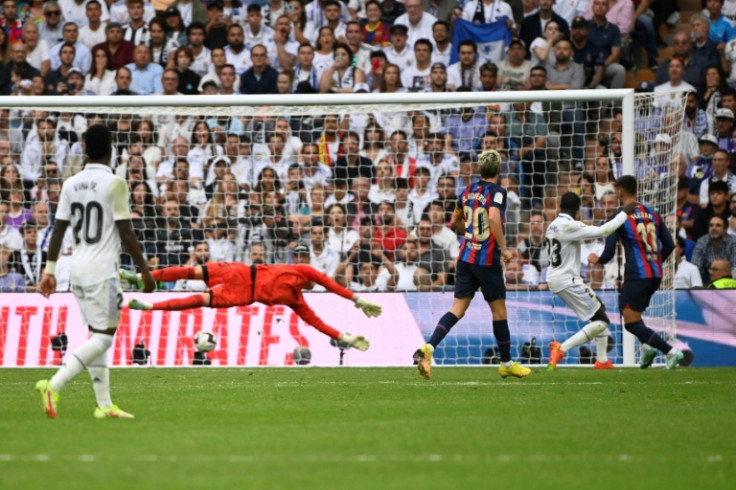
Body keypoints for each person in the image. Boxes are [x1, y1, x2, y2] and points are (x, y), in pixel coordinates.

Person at [35, 124, 156, 420]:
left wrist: (49, 271)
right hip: (103, 271)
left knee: (98, 332)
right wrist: (145, 270)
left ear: (85, 148)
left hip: (76, 269)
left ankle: (104, 404)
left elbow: (58, 230)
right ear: (111, 148)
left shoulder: (70, 184)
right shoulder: (115, 183)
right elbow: (126, 231)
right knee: (104, 337)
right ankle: (54, 384)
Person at [414, 150, 531, 380]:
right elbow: (495, 217)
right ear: (499, 170)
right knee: (499, 311)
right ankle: (506, 362)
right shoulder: (497, 192)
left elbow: (453, 220)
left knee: (457, 308)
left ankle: (429, 347)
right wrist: (504, 248)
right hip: (486, 260)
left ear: (479, 169)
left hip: (465, 257)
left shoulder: (467, 191)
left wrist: (469, 233)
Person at [121, 262, 381, 351]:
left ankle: (148, 307)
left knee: (197, 299)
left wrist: (344, 337)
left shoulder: (297, 301)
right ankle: (143, 276)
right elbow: (328, 282)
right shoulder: (303, 270)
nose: (315, 284)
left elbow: (316, 323)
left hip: (243, 292)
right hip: (242, 273)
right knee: (191, 273)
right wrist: (356, 298)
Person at [589, 175, 684, 369]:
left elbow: (608, 252)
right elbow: (669, 244)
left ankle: (671, 352)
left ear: (620, 191)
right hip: (655, 274)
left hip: (637, 275)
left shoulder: (619, 216)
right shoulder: (652, 213)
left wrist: (597, 260)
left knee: (630, 323)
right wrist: (656, 261)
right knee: (634, 316)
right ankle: (647, 348)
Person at [546, 192, 637, 370]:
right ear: (577, 210)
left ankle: (602, 361)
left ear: (560, 205)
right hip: (567, 279)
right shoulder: (570, 225)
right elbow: (603, 231)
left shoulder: (552, 225)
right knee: (602, 321)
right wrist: (624, 213)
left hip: (556, 277)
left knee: (599, 309)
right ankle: (561, 349)